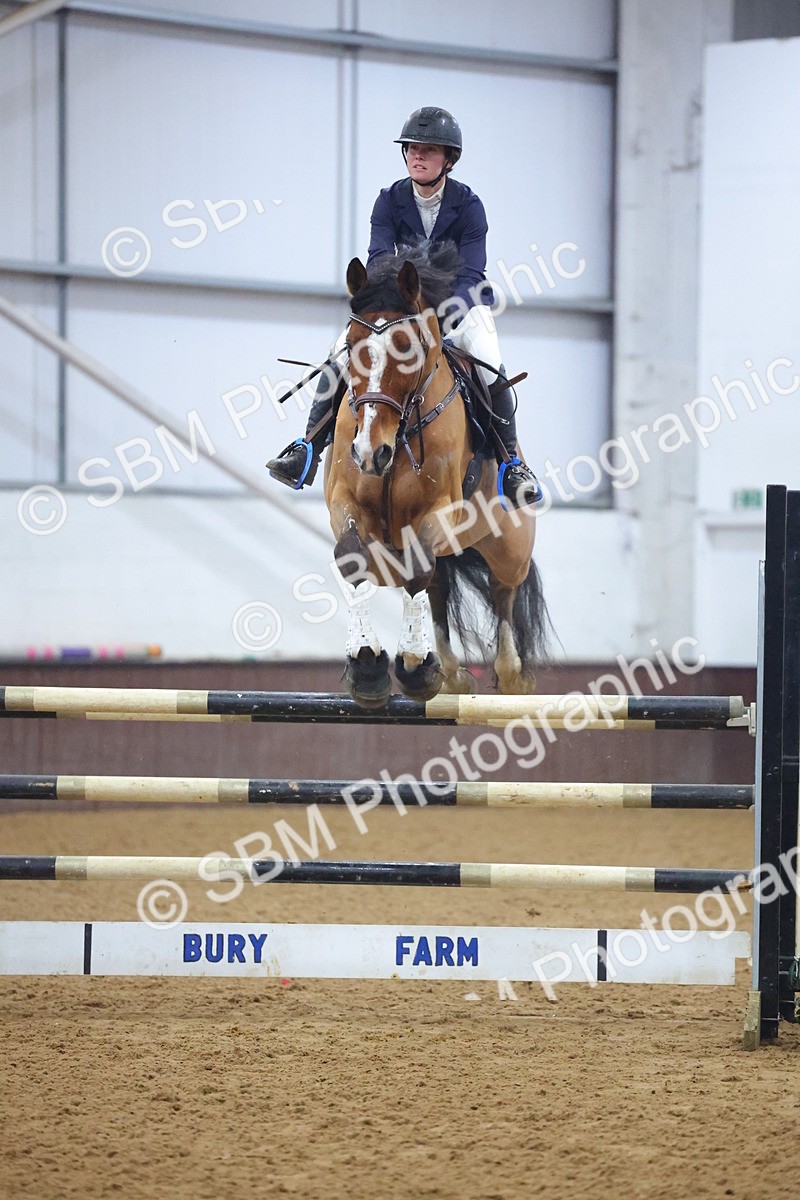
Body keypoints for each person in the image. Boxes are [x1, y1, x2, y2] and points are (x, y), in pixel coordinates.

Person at [266, 106, 541, 507]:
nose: (417, 155)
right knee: (340, 353)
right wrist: (394, 307)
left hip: (460, 307)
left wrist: (441, 318)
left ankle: (511, 464)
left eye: (428, 150)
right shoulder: (389, 200)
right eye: (412, 148)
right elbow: (379, 259)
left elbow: (471, 272)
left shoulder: (469, 206)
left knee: (489, 363)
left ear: (449, 159)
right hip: (399, 306)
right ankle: (306, 448)